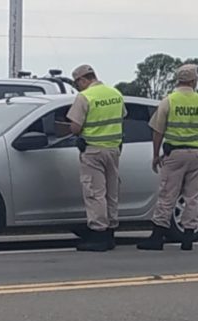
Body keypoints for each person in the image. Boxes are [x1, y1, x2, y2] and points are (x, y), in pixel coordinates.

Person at [137, 64, 198, 251]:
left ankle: (157, 237)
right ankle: (188, 237)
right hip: (196, 154)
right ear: (193, 81)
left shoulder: (169, 101)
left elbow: (158, 131)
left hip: (174, 154)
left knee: (168, 193)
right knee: (192, 195)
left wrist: (155, 154)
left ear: (179, 80)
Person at [66, 64, 126, 252]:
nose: (78, 88)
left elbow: (75, 127)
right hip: (114, 149)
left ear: (83, 80)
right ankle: (110, 234)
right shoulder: (115, 93)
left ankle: (98, 234)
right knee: (111, 192)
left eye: (78, 84)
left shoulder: (85, 97)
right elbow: (123, 115)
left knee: (95, 193)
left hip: (93, 151)